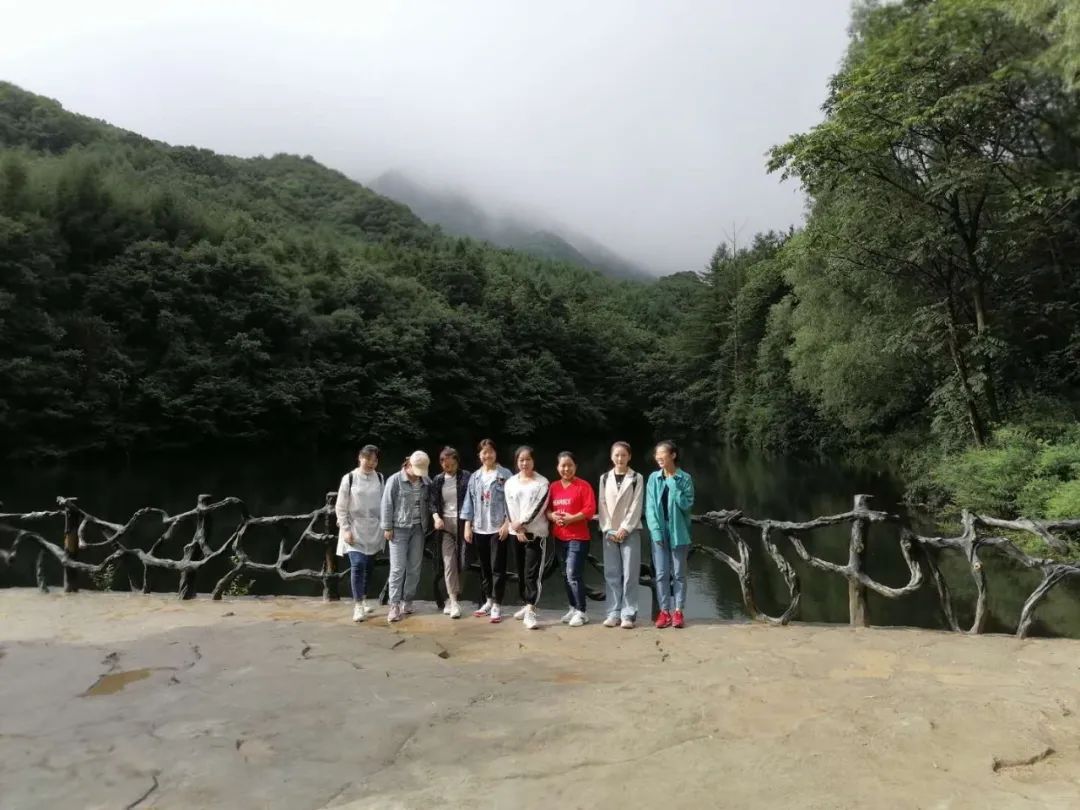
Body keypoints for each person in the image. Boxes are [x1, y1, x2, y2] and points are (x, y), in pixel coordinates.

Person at [461, 439, 513, 623]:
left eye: (490, 451)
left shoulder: (505, 475)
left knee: (497, 567)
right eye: (484, 452)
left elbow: (512, 501)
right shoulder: (475, 477)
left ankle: (497, 604)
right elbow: (469, 502)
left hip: (497, 527)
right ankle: (488, 600)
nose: (487, 455)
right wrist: (467, 525)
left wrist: (507, 523)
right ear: (479, 455)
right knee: (484, 567)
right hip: (479, 527)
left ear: (495, 453)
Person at [645, 440, 695, 629]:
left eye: (662, 453)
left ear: (673, 455)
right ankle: (664, 611)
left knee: (679, 573)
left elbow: (686, 504)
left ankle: (678, 611)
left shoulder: (685, 478)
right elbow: (649, 507)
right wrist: (655, 531)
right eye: (656, 454)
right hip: (659, 530)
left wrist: (673, 483)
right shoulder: (653, 478)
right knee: (661, 573)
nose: (658, 457)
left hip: (679, 531)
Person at [380, 450, 432, 623]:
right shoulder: (395, 480)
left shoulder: (426, 481)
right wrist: (387, 527)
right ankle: (394, 604)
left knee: (414, 567)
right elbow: (387, 504)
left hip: (419, 528)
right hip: (399, 528)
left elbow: (432, 501)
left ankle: (408, 600)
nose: (418, 474)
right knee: (397, 568)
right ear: (408, 465)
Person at [335, 445, 385, 622]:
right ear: (360, 458)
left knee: (369, 566)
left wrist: (385, 526)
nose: (371, 463)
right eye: (368, 459)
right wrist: (345, 529)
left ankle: (363, 599)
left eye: (375, 460)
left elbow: (383, 503)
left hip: (374, 528)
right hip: (354, 527)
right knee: (357, 564)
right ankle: (357, 605)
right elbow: (340, 507)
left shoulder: (380, 478)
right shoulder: (349, 478)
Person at [547, 451, 596, 628]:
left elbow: (590, 510)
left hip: (578, 537)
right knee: (565, 574)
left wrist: (571, 519)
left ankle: (582, 611)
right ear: (557, 467)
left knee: (573, 573)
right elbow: (546, 509)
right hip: (560, 537)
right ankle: (573, 607)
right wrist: (552, 516)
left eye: (570, 465)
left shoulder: (583, 486)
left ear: (575, 467)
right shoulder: (553, 487)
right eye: (563, 465)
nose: (566, 469)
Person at [598, 441, 644, 629]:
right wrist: (608, 528)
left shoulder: (636, 478)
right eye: (616, 455)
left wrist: (625, 528)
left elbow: (636, 504)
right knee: (612, 573)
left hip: (629, 531)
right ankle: (613, 612)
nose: (620, 458)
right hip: (609, 532)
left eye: (623, 455)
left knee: (630, 574)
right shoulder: (604, 478)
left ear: (629, 456)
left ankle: (628, 614)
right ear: (611, 456)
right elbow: (601, 504)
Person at [504, 445, 550, 631]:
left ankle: (531, 608)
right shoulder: (510, 482)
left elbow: (538, 507)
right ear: (517, 462)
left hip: (535, 534)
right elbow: (508, 505)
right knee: (521, 572)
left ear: (533, 461)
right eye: (521, 460)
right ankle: (526, 603)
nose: (524, 463)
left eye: (528, 459)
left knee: (532, 573)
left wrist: (522, 522)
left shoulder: (542, 483)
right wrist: (516, 528)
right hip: (516, 533)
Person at [429, 447, 472, 619]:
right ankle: (453, 600)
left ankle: (454, 597)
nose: (449, 468)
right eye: (445, 465)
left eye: (452, 465)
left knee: (463, 561)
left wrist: (469, 523)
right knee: (448, 563)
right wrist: (436, 517)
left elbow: (471, 499)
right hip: (445, 525)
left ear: (457, 462)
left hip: (463, 523)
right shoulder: (438, 480)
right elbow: (432, 502)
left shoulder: (466, 477)